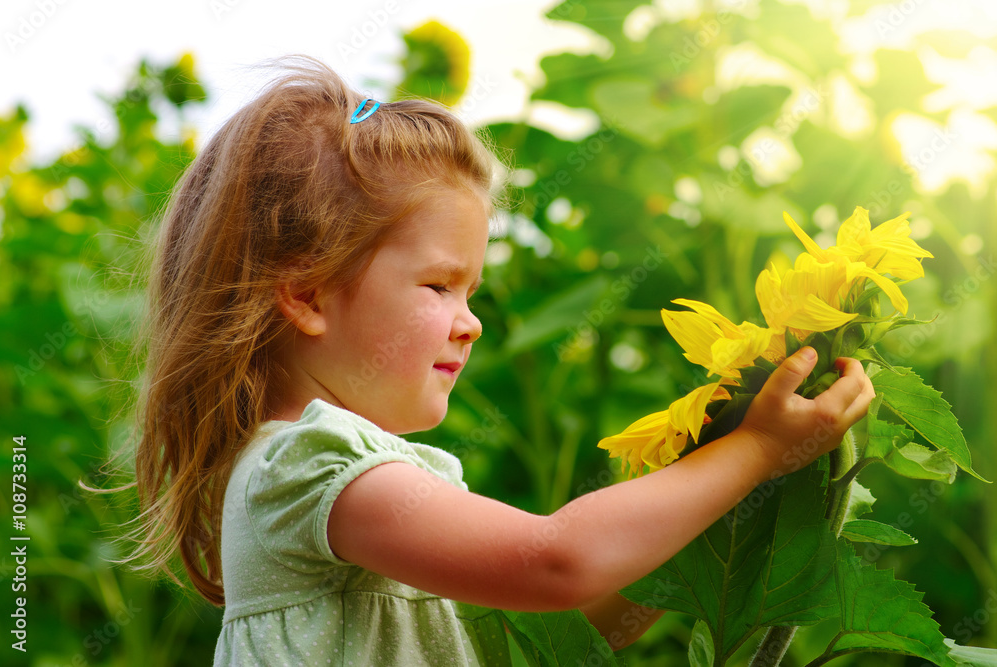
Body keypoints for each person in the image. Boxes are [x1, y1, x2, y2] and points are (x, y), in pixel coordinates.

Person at [123, 56, 875, 666]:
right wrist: (758, 448)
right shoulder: (307, 466)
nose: (471, 322)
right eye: (440, 285)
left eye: (471, 290)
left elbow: (577, 620)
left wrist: (718, 485)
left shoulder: (360, 480)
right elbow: (557, 562)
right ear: (310, 294)